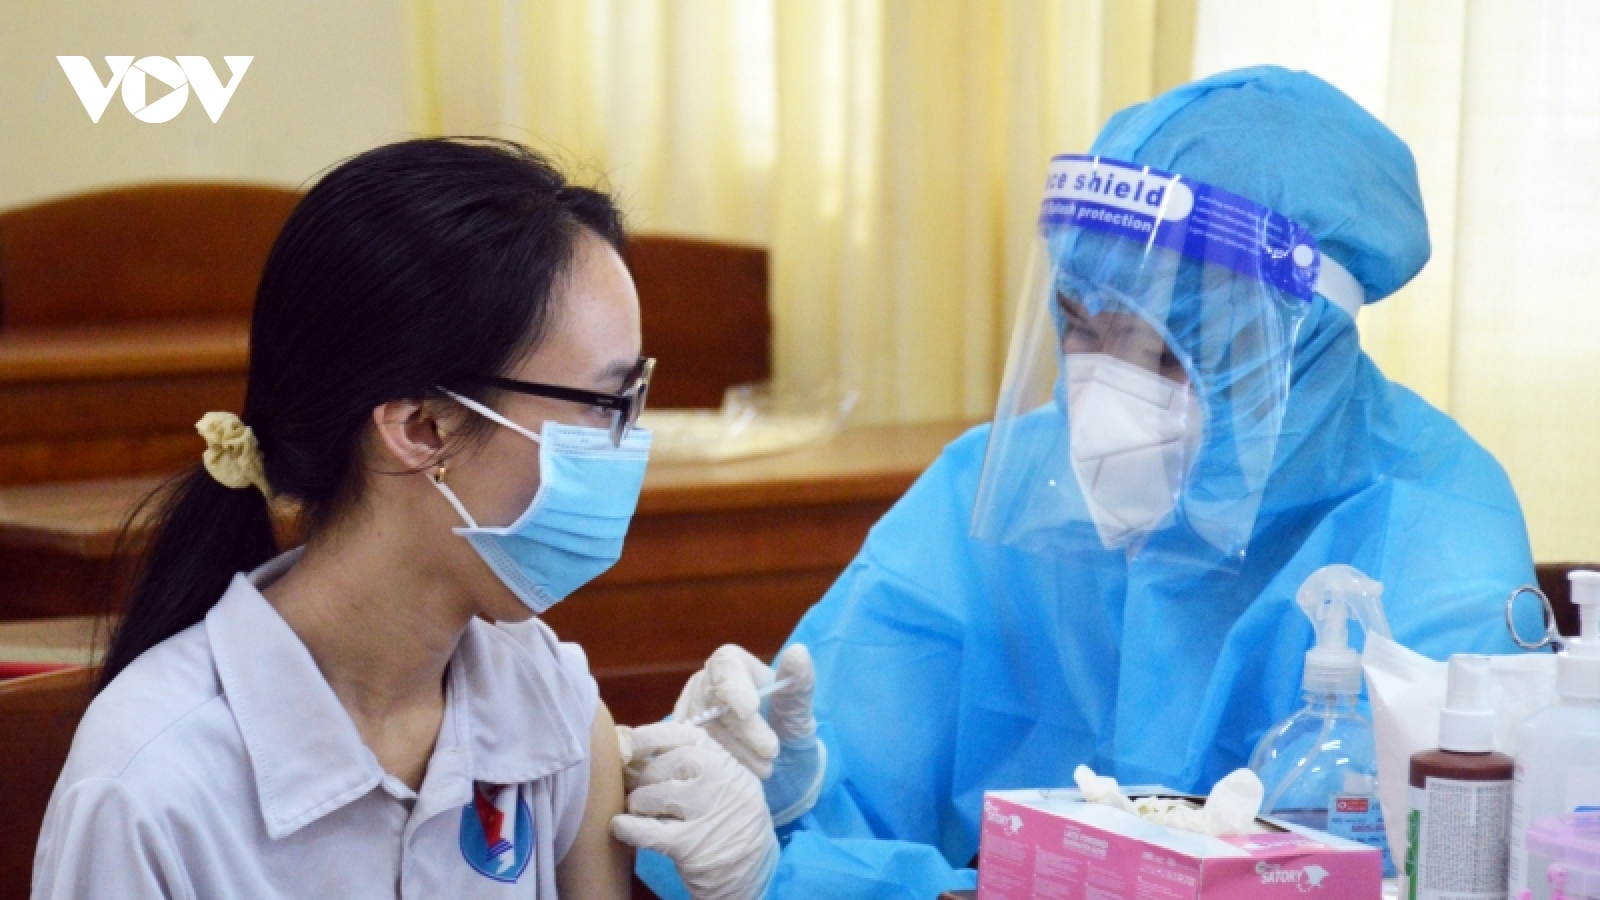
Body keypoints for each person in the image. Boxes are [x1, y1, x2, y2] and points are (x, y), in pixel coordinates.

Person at [640, 67, 1545, 898]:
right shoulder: (990, 489)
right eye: (1081, 326)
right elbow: (832, 788)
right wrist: (779, 798)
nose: (1108, 397)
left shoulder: (1431, 536)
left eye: (1169, 349)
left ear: (1301, 346)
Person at [32, 138, 773, 900]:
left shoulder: (550, 700)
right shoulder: (148, 787)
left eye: (633, 398)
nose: (627, 445)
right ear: (421, 428)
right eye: (605, 403)